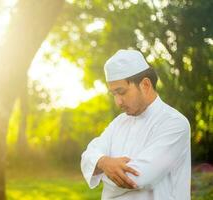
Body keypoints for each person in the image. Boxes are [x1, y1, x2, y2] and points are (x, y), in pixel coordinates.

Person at [81, 49, 191, 200]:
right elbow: (88, 155)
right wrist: (104, 162)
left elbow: (137, 178)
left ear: (145, 85)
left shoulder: (174, 123)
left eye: (122, 92)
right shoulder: (118, 123)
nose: (118, 102)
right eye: (114, 94)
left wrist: (99, 169)